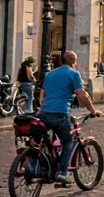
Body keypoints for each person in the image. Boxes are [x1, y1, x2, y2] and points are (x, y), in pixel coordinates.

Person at [39, 50, 100, 183]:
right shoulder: (74, 74)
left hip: (44, 112)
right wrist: (93, 110)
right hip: (60, 113)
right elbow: (81, 94)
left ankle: (47, 165)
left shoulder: (50, 74)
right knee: (68, 141)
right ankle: (61, 172)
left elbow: (42, 93)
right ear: (73, 61)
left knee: (48, 141)